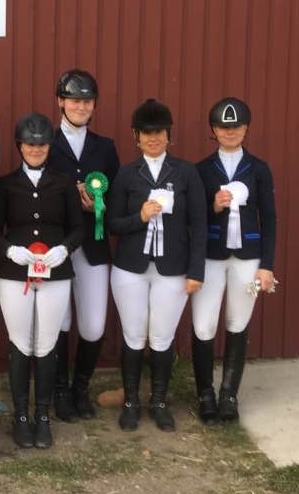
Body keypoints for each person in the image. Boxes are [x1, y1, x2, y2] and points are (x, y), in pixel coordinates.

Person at [107, 99, 206, 432]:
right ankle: (131, 401)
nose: (153, 138)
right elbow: (113, 224)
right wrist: (140, 216)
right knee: (134, 335)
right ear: (136, 136)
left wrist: (196, 270)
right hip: (130, 269)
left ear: (168, 135)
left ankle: (160, 401)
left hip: (172, 268)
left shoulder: (186, 172)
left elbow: (199, 223)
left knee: (162, 337)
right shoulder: (126, 174)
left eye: (159, 132)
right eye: (146, 133)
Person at [0, 113, 84, 449]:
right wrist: (9, 250)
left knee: (46, 344)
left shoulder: (63, 184)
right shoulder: (5, 185)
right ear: (20, 145)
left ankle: (42, 415)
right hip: (16, 274)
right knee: (20, 344)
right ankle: (20, 416)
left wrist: (64, 249)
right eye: (30, 144)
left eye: (42, 144)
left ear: (49, 146)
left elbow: (78, 228)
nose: (35, 149)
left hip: (55, 274)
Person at [191, 97, 276, 425]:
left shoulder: (259, 169)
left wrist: (266, 264)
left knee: (238, 322)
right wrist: (213, 206)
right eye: (223, 127)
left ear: (246, 128)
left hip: (247, 257)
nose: (230, 132)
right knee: (204, 324)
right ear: (214, 130)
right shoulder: (202, 169)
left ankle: (229, 394)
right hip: (211, 256)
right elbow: (194, 218)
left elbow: (269, 218)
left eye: (236, 127)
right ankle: (205, 394)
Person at [47, 69, 120, 422]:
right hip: (58, 245)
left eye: (87, 101)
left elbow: (117, 196)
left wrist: (99, 205)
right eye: (74, 100)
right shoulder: (45, 141)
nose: (81, 106)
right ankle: (60, 391)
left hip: (93, 243)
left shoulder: (105, 147)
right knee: (60, 321)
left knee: (93, 325)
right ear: (61, 101)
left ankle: (81, 387)